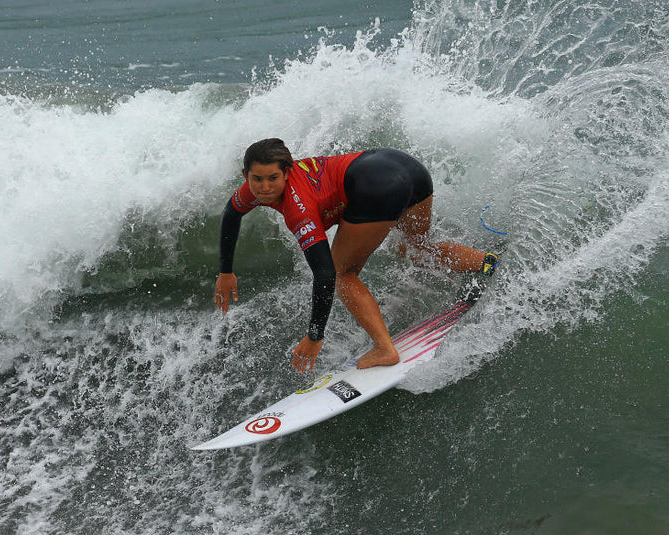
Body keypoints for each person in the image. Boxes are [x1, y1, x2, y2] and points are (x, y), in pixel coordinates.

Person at [213, 138, 498, 373]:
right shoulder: (255, 190)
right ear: (245, 176)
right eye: (257, 179)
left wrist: (314, 336)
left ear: (287, 173)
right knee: (414, 249)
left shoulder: (298, 209)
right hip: (406, 167)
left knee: (342, 273)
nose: (264, 187)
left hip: (378, 186)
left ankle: (385, 349)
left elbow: (324, 274)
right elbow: (232, 212)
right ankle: (488, 264)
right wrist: (226, 271)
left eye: (273, 178)